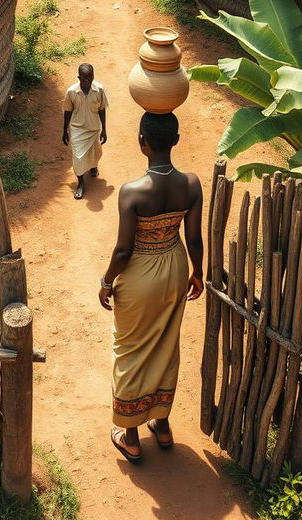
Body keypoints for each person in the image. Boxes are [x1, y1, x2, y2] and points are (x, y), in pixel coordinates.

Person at [98, 112, 203, 463]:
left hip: (140, 274)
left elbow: (123, 250)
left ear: (141, 141)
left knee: (130, 350)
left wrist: (106, 280)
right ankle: (162, 424)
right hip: (175, 268)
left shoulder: (131, 192)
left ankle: (130, 436)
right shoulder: (191, 185)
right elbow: (195, 238)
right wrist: (198, 272)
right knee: (164, 344)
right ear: (175, 140)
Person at [62, 63, 108, 200]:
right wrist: (65, 131)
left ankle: (93, 166)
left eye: (90, 78)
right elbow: (67, 111)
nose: (87, 81)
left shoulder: (99, 89)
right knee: (78, 157)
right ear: (79, 77)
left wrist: (104, 129)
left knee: (95, 152)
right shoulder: (71, 92)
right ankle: (81, 183)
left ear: (93, 76)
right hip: (77, 129)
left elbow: (102, 109)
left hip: (94, 127)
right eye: (84, 79)